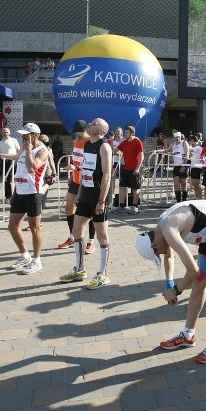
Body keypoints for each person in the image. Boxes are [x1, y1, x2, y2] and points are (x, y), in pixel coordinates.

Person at [135, 199, 206, 364]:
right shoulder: (161, 231)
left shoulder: (169, 229)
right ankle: (188, 335)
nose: (160, 254)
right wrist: (169, 284)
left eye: (157, 254)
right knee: (199, 285)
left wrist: (175, 290)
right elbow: (169, 256)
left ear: (153, 245)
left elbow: (193, 271)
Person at [59, 118, 113, 289]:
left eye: (93, 123)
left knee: (102, 235)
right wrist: (79, 193)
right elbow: (85, 170)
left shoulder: (104, 147)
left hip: (98, 197)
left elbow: (107, 175)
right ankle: (80, 269)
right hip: (86, 195)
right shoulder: (87, 144)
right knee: (76, 230)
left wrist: (102, 200)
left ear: (101, 130)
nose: (89, 124)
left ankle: (103, 274)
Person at [0, 123, 51, 275]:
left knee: (35, 228)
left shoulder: (42, 151)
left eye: (26, 135)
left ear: (35, 135)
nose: (23, 138)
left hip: (34, 192)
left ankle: (37, 260)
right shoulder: (23, 146)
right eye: (22, 135)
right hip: (20, 191)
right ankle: (24, 255)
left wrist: (28, 152)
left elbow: (31, 168)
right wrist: (1, 155)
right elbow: (18, 164)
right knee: (12, 226)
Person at [58, 120, 96, 252]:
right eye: (77, 133)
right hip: (76, 179)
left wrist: (76, 168)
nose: (78, 136)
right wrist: (72, 174)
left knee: (89, 212)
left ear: (87, 130)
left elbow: (91, 164)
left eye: (81, 133)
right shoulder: (76, 141)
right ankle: (72, 237)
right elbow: (77, 159)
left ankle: (91, 241)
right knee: (68, 207)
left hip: (86, 181)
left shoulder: (91, 143)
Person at [114, 125, 144, 214]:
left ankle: (135, 207)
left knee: (135, 189)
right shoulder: (124, 142)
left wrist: (138, 168)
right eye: (125, 132)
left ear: (132, 133)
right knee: (122, 187)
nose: (125, 134)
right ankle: (122, 206)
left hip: (134, 169)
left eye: (127, 132)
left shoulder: (137, 141)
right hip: (125, 168)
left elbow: (141, 156)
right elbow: (114, 150)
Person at [160, 131, 191, 203]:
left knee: (184, 183)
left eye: (178, 137)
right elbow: (166, 150)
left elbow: (187, 154)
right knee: (176, 184)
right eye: (175, 137)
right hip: (176, 166)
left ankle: (184, 201)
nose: (177, 139)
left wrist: (184, 165)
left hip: (183, 165)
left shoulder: (184, 143)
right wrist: (156, 151)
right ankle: (178, 201)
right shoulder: (173, 144)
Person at [0, 127, 21, 199]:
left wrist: (18, 159)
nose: (6, 134)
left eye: (7, 132)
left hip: (14, 162)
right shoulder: (0, 143)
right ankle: (8, 196)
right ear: (2, 133)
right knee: (6, 180)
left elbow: (19, 150)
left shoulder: (14, 140)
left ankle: (18, 195)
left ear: (9, 133)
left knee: (17, 179)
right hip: (5, 163)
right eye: (4, 132)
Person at [188, 135, 203, 201]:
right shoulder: (194, 148)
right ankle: (196, 197)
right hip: (193, 166)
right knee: (194, 183)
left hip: (197, 167)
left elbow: (189, 149)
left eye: (190, 141)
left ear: (193, 141)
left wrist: (187, 145)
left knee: (197, 183)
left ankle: (200, 197)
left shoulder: (198, 148)